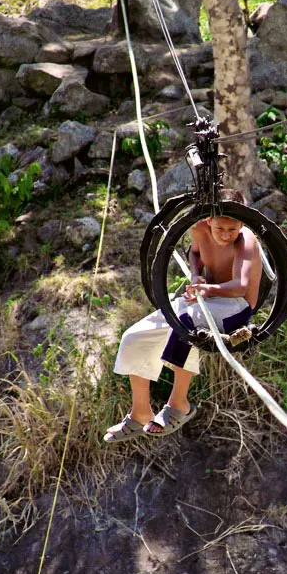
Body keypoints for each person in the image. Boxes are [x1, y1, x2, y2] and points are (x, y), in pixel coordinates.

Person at [104, 189, 262, 441]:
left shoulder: (246, 240)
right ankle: (140, 412)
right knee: (133, 337)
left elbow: (240, 285)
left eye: (232, 230)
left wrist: (205, 288)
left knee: (186, 324)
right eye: (220, 228)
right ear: (209, 220)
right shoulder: (199, 228)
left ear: (241, 223)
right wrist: (196, 274)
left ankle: (179, 404)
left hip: (234, 307)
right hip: (202, 300)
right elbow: (195, 254)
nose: (225, 235)